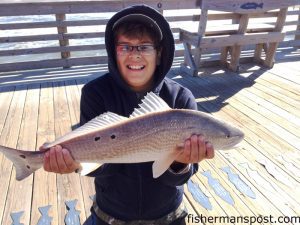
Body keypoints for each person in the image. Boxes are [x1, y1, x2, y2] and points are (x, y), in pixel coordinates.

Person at [43, 5, 215, 225]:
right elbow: (102, 170)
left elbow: (181, 177)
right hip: (109, 215)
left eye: (144, 46)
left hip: (168, 216)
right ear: (114, 52)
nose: (135, 55)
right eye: (125, 47)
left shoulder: (181, 99)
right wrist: (75, 162)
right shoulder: (95, 93)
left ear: (159, 53)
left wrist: (180, 162)